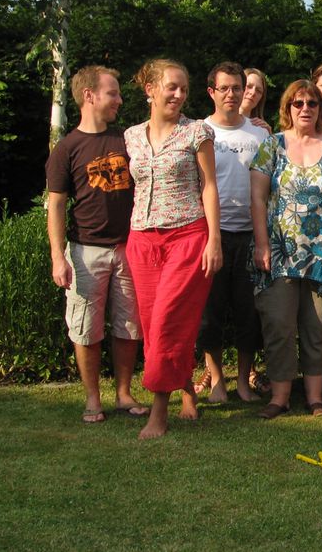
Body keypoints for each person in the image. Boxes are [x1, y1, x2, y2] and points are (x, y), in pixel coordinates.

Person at [125, 59, 222, 439]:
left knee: (168, 322)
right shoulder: (132, 136)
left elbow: (209, 186)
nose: (179, 95)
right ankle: (186, 391)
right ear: (150, 89)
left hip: (187, 237)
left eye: (184, 88)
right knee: (154, 327)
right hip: (142, 239)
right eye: (172, 87)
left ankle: (158, 412)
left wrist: (214, 239)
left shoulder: (197, 132)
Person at [45, 65, 148, 424]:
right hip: (86, 251)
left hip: (129, 247)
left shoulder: (127, 139)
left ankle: (123, 393)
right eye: (113, 93)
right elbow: (56, 204)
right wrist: (58, 257)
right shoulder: (67, 148)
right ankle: (92, 399)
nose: (119, 100)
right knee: (86, 328)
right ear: (89, 96)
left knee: (129, 326)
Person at [250, 80, 322, 419]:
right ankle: (279, 397)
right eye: (298, 103)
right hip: (278, 251)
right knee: (279, 324)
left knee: (317, 326)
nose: (305, 108)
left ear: (321, 108)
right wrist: (262, 244)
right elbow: (258, 198)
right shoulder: (272, 146)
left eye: (312, 103)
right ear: (287, 108)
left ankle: (315, 397)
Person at [196, 62, 269, 403]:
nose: (231, 94)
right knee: (209, 314)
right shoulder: (199, 131)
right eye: (223, 88)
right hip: (210, 234)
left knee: (247, 314)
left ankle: (243, 381)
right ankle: (215, 381)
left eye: (236, 87)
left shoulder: (260, 134)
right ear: (211, 92)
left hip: (250, 235)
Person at [240, 68, 271, 133]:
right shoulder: (216, 124)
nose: (253, 92)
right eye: (249, 86)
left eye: (258, 91)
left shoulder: (261, 129)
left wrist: (269, 137)